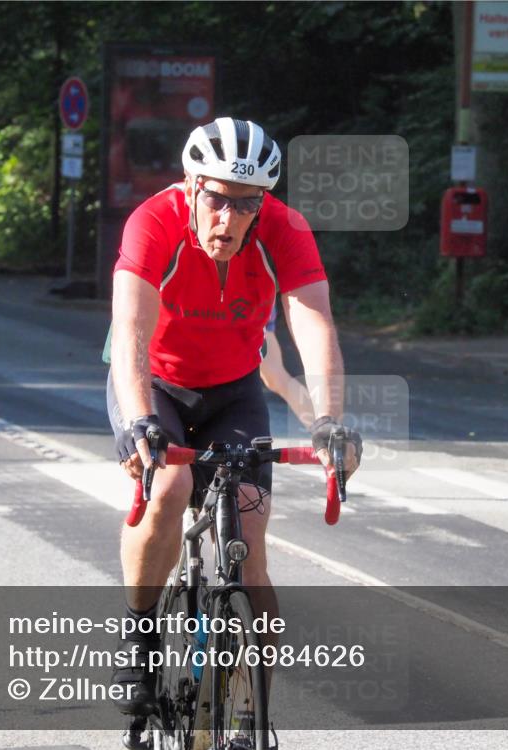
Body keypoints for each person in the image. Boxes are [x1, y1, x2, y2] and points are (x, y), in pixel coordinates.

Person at [106, 117, 361, 715]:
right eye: (217, 199)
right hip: (155, 381)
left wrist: (327, 422)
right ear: (192, 185)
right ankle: (140, 634)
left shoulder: (285, 230)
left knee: (250, 545)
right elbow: (131, 336)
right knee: (168, 484)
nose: (229, 218)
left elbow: (313, 322)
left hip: (233, 387)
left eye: (246, 204)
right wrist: (142, 420)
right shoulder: (153, 222)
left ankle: (254, 715)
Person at [259, 304, 315, 428]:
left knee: (276, 376)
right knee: (276, 376)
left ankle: (327, 433)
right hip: (249, 306)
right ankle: (328, 434)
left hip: (244, 307)